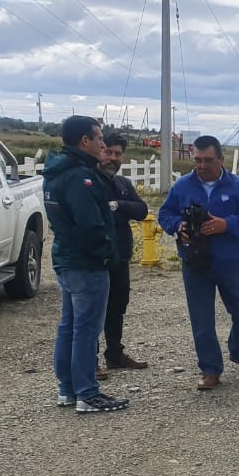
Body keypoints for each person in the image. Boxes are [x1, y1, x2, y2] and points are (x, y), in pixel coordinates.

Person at [157, 135, 239, 390]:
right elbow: (164, 214)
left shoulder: (238, 186)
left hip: (229, 261)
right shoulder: (182, 186)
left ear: (220, 159)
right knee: (201, 319)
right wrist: (178, 226)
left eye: (207, 160)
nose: (201, 165)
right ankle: (210, 369)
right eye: (197, 160)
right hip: (195, 263)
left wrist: (225, 225)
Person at [42, 115, 128, 413]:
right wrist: (107, 254)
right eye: (99, 138)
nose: (103, 144)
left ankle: (67, 388)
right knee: (86, 330)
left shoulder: (55, 172)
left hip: (66, 259)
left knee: (70, 326)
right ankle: (87, 393)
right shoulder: (80, 177)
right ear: (84, 141)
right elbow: (90, 225)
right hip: (86, 263)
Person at [95, 133, 149, 378]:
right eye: (108, 152)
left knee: (117, 306)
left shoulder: (122, 184)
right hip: (96, 257)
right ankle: (89, 360)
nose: (112, 158)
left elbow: (142, 210)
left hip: (120, 256)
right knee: (94, 309)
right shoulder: (89, 181)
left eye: (117, 154)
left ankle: (114, 355)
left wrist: (118, 205)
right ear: (99, 151)